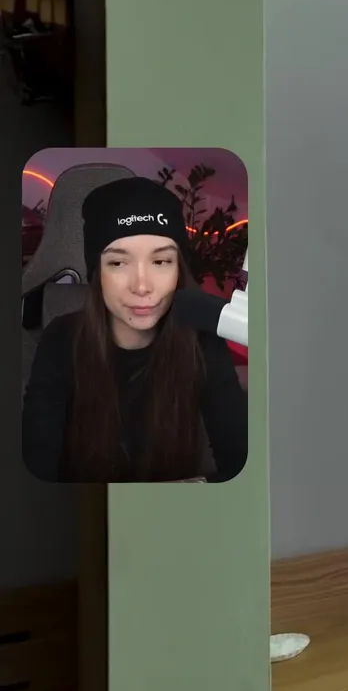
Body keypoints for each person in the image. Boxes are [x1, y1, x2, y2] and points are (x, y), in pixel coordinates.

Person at [21, 176, 248, 483]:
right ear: (97, 273)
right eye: (118, 263)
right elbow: (36, 471)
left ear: (178, 270)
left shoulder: (202, 340)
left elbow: (242, 468)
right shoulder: (61, 339)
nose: (142, 286)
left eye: (161, 261)